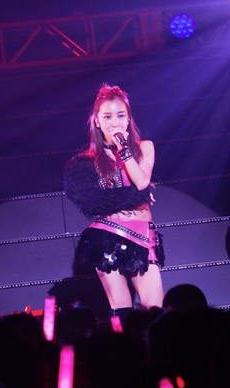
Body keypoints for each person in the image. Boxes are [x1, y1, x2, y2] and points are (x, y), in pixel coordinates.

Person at [63, 84, 164, 321]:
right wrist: (135, 196)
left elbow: (141, 183)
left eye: (120, 115)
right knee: (121, 309)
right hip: (107, 236)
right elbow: (95, 202)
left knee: (155, 308)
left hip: (142, 235)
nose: (114, 122)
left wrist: (123, 149)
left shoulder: (144, 148)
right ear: (97, 121)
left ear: (128, 119)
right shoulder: (88, 162)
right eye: (107, 117)